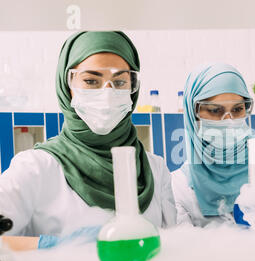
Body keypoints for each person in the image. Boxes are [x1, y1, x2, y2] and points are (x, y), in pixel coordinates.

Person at [0, 31, 177, 250]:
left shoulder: (155, 168)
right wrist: (52, 247)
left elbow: (173, 246)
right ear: (67, 87)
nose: (107, 93)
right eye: (91, 81)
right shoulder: (35, 167)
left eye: (120, 81)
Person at [171, 62, 255, 227]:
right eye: (215, 110)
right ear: (192, 114)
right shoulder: (180, 187)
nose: (229, 121)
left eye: (238, 109)